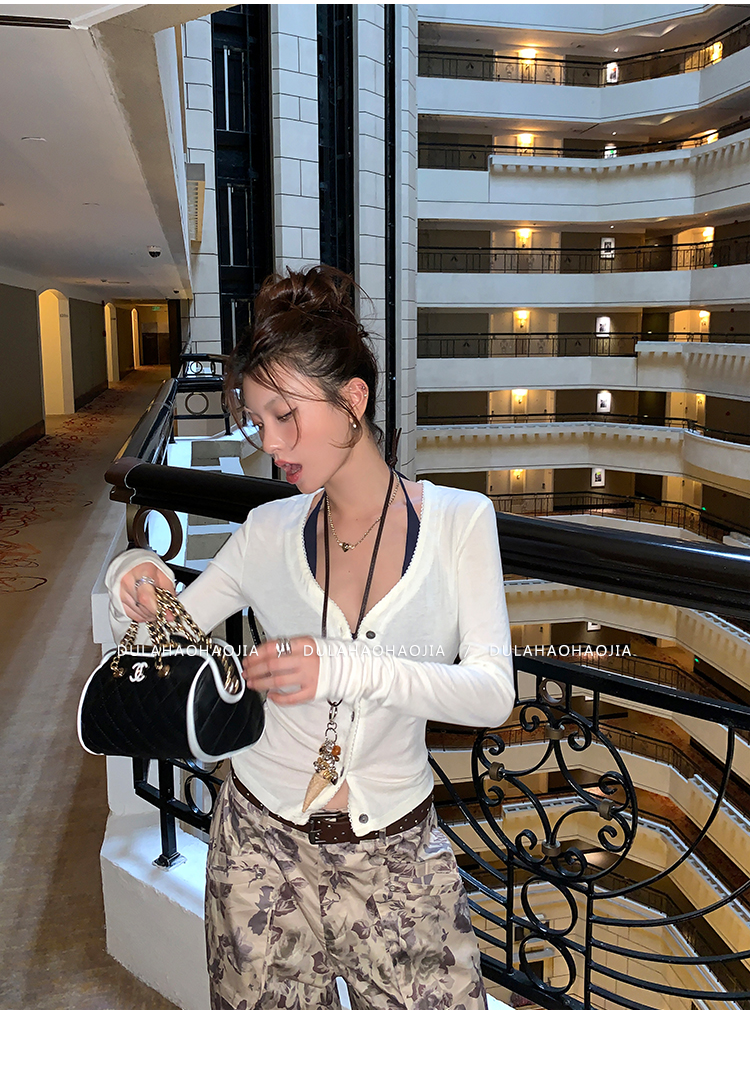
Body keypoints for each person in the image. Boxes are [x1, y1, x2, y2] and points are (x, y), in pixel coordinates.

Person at [104, 266, 515, 1010]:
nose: (271, 442)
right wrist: (131, 574)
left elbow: (491, 694)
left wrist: (350, 666)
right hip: (257, 850)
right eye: (259, 421)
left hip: (396, 858)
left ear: (353, 401)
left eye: (286, 415)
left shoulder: (460, 522)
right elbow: (166, 634)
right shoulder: (268, 530)